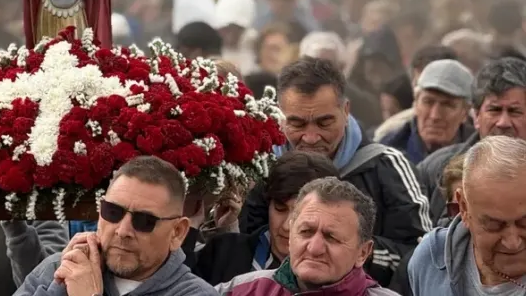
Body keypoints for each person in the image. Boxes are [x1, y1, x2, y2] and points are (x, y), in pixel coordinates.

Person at [240, 57, 431, 286]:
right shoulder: (257, 167)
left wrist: (353, 251)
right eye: (297, 124)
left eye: (324, 123)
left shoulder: (388, 166)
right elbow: (239, 245)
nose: (311, 138)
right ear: (279, 115)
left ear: (346, 110)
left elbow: (422, 255)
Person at [15, 155, 217, 296]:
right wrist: (59, 286)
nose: (123, 230)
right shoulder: (55, 268)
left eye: (144, 221)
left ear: (177, 232)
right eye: (113, 212)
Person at [219, 178, 398, 295]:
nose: (314, 248)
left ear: (363, 253)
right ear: (291, 235)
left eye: (332, 237)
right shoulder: (242, 290)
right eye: (306, 232)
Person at [183, 151, 338, 286]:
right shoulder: (224, 250)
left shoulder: (340, 271)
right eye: (280, 209)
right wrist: (188, 229)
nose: (286, 226)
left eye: (302, 215)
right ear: (267, 204)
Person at [408, 136, 526, 295]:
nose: (513, 242)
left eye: (524, 223)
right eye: (494, 225)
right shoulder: (431, 259)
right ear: (463, 208)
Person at [418, 57, 526, 225]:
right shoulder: (435, 168)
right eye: (494, 110)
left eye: (514, 111)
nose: (503, 122)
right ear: (476, 116)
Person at [379, 60, 475, 164]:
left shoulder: (480, 151)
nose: (435, 116)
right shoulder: (388, 151)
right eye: (428, 102)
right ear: (415, 103)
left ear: (465, 112)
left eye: (447, 105)